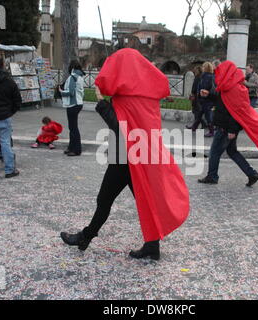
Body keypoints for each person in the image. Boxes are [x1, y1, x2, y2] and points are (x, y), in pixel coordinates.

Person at [60, 49, 190, 261]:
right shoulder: (146, 94)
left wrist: (102, 103)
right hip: (137, 157)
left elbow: (121, 129)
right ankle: (151, 246)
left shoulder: (128, 97)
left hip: (125, 158)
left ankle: (85, 238)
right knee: (142, 200)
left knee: (105, 199)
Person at [199, 60, 258, 186]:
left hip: (226, 128)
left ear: (226, 73)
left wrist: (232, 130)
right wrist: (209, 94)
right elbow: (222, 100)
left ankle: (212, 176)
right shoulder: (228, 86)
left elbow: (237, 113)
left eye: (219, 72)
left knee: (214, 152)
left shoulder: (233, 89)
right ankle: (252, 174)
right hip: (226, 127)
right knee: (232, 152)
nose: (217, 75)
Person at [60, 59, 85, 157]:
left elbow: (70, 92)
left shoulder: (72, 77)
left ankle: (76, 149)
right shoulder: (80, 77)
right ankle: (71, 147)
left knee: (73, 128)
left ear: (71, 67)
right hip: (78, 103)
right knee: (73, 127)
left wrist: (61, 91)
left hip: (72, 104)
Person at [190, 62, 215, 137]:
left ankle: (211, 131)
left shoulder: (208, 77)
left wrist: (203, 92)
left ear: (206, 68)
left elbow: (206, 86)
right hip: (204, 99)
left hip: (206, 99)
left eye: (203, 67)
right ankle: (194, 127)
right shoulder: (206, 76)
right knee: (200, 113)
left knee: (207, 116)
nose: (202, 68)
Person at [185, 66, 206, 131]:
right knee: (196, 111)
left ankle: (200, 124)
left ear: (198, 71)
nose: (194, 71)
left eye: (196, 70)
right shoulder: (200, 77)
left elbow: (195, 87)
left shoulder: (197, 78)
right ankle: (199, 125)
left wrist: (192, 94)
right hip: (198, 96)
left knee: (196, 111)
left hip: (196, 97)